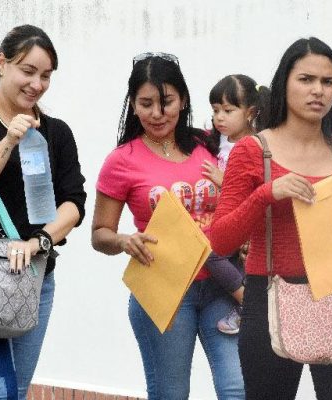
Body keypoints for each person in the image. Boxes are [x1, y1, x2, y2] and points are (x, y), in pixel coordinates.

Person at [209, 37, 332, 400]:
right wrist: (267, 193)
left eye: (327, 82)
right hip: (267, 292)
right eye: (306, 79)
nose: (318, 90)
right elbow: (219, 241)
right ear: (284, 82)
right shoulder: (253, 150)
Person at [0, 25, 86, 400]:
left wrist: (40, 240)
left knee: (15, 392)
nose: (36, 84)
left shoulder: (57, 133)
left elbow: (74, 203)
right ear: (2, 62)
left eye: (46, 75)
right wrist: (9, 139)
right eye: (27, 70)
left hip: (34, 276)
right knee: (1, 392)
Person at [91, 53, 244, 399]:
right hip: (164, 291)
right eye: (146, 104)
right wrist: (124, 241)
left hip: (223, 286)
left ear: (183, 100)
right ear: (133, 105)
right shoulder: (121, 161)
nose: (157, 114)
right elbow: (100, 235)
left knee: (238, 387)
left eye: (166, 102)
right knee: (171, 393)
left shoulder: (209, 144)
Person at [202, 74, 270, 334]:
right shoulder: (217, 141)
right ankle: (246, 303)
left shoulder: (256, 145)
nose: (220, 117)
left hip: (242, 223)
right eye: (216, 110)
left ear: (250, 112)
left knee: (212, 254)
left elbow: (258, 191)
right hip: (223, 221)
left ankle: (247, 303)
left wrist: (223, 181)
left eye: (228, 111)